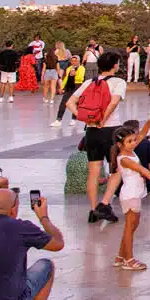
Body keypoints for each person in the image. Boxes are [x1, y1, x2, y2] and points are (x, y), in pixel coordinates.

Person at [65, 51, 128, 224]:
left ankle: (93, 210)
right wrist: (103, 119)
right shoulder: (118, 82)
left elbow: (69, 102)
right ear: (115, 65)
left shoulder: (88, 82)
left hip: (91, 132)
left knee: (93, 172)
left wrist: (84, 117)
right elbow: (114, 102)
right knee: (116, 170)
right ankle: (105, 203)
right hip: (111, 131)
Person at [111, 123, 150, 271]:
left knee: (132, 226)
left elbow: (142, 135)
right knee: (129, 227)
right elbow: (143, 170)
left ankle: (120, 256)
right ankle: (129, 259)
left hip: (135, 193)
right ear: (120, 144)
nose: (133, 143)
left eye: (133, 141)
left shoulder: (129, 151)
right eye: (129, 141)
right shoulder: (124, 158)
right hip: (130, 194)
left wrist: (149, 122)